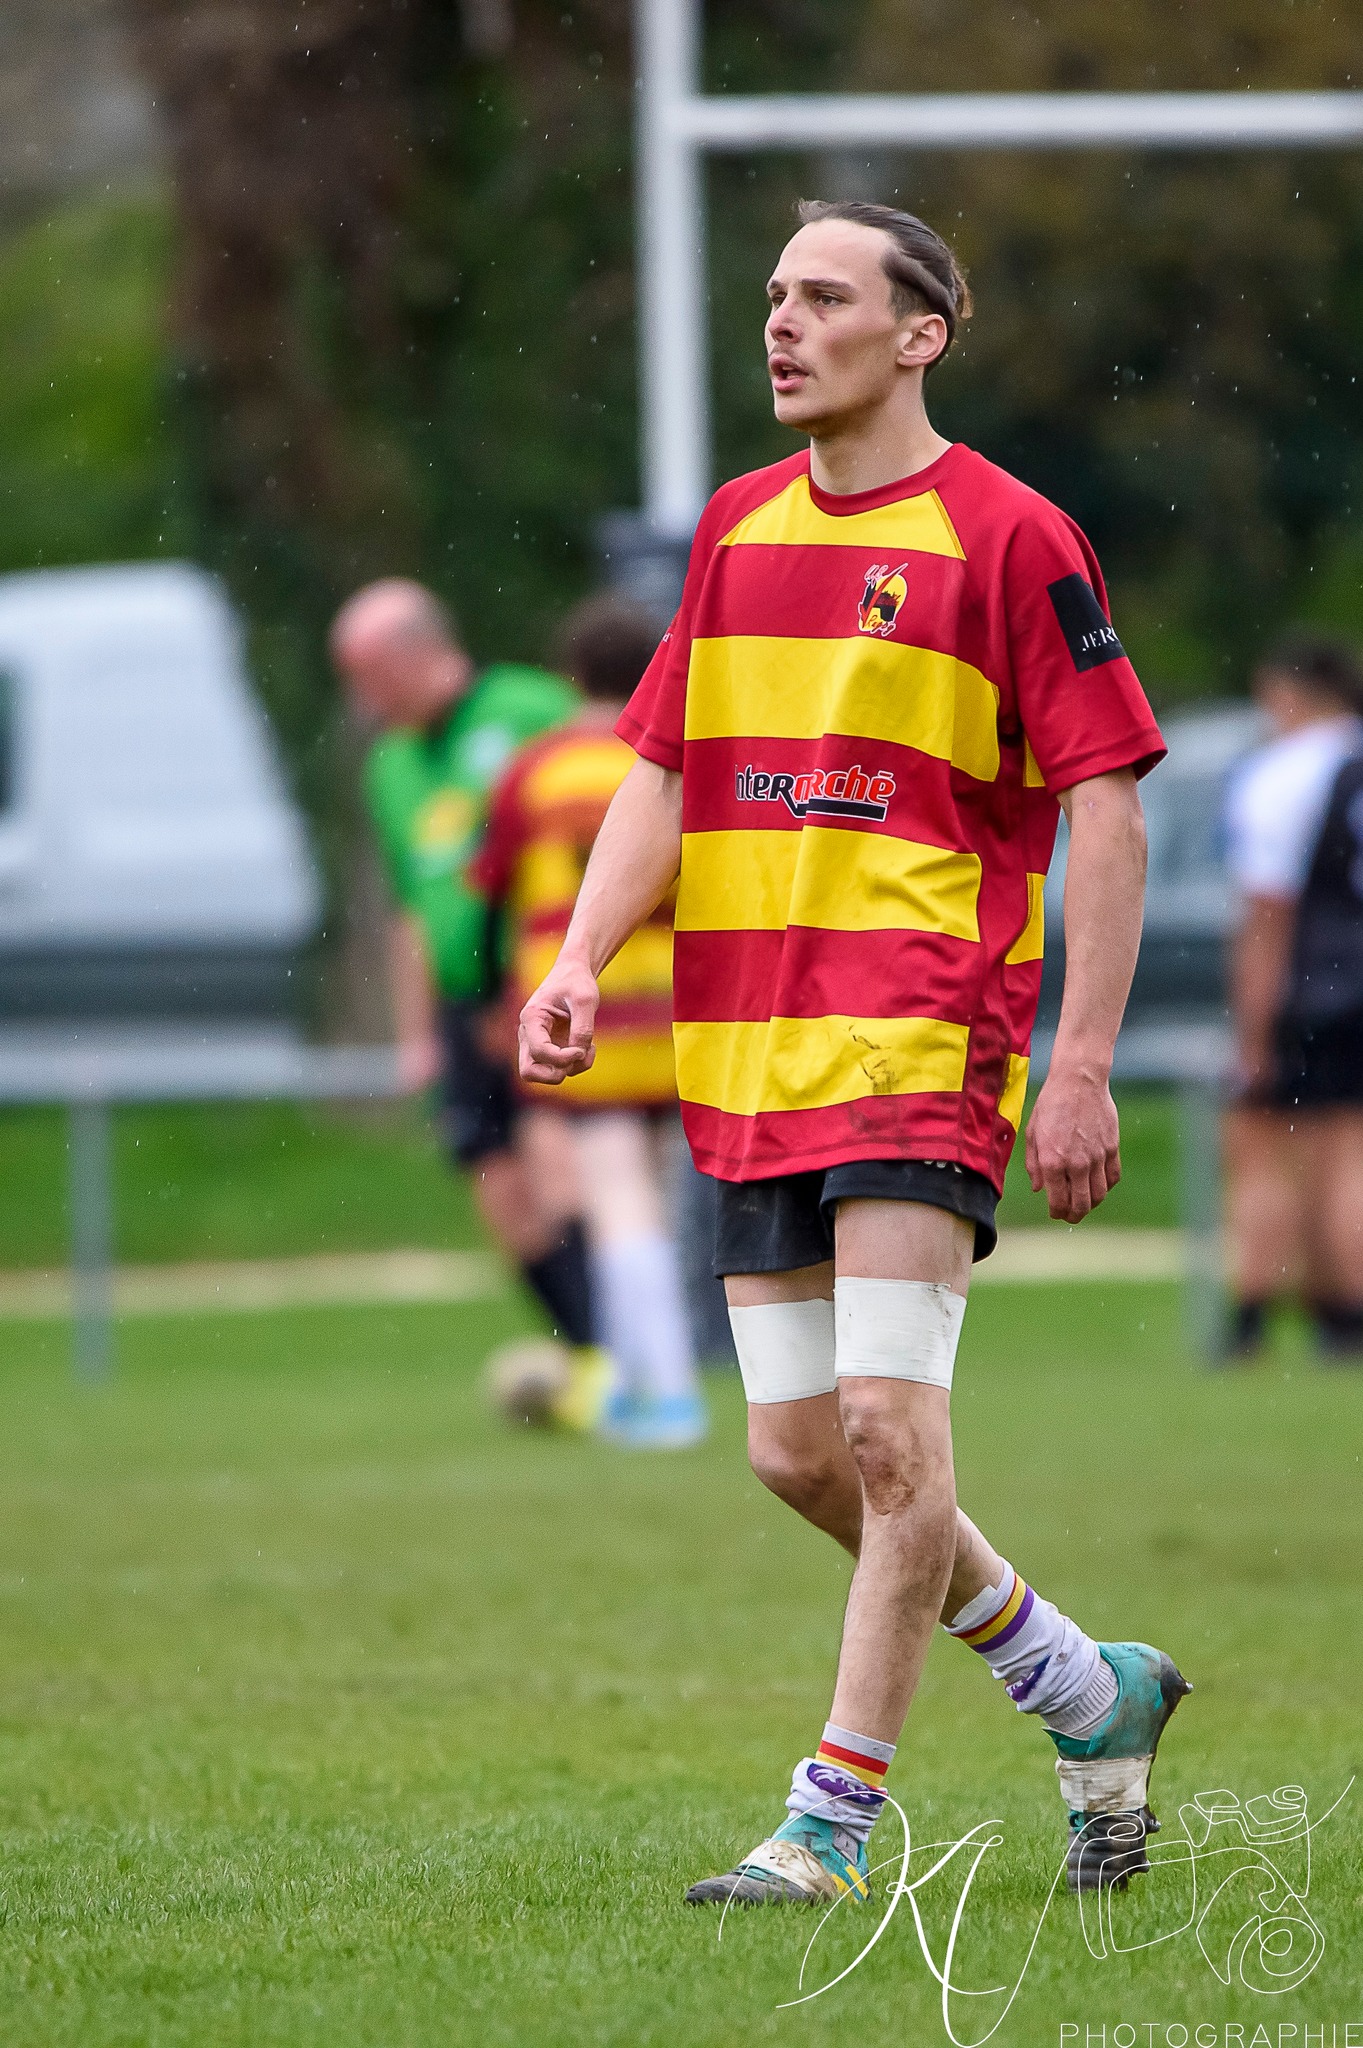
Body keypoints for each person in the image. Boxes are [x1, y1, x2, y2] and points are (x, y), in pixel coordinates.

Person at [518, 199, 1189, 1902]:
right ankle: (1078, 1683)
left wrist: (1082, 1057)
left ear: (918, 333)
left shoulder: (1011, 535)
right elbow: (662, 768)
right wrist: (582, 953)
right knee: (797, 1454)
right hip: (747, 1051)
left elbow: (1102, 812)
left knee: (890, 1432)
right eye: (770, 295)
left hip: (918, 1037)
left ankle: (825, 1819)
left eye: (822, 296)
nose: (782, 321)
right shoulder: (735, 530)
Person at [330, 580, 598, 1391]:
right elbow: (413, 913)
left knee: (563, 1165)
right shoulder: (390, 764)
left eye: (366, 675)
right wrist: (418, 1037)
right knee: (498, 1186)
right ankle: (592, 1348)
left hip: (538, 985)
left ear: (415, 654)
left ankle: (628, 1354)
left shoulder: (530, 707)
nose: (360, 697)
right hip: (462, 1002)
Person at [473, 596, 707, 1448]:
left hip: (587, 1015)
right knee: (659, 1197)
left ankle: (661, 1390)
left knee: (616, 1205)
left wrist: (486, 1002)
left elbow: (485, 896)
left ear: (569, 676)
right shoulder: (672, 765)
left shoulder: (535, 770)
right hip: (679, 1011)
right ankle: (646, 1380)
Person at [1222, 630, 1363, 1361]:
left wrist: (1250, 1037)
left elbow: (1266, 918)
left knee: (1263, 1148)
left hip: (1317, 990)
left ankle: (1249, 1313)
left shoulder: (1283, 773)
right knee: (1348, 1152)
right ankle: (1339, 1319)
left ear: (1287, 693)